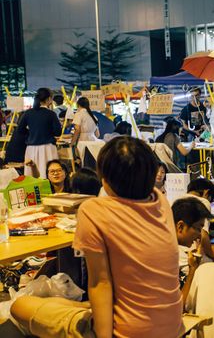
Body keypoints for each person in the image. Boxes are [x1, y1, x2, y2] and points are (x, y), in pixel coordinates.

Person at [11, 136, 183, 337]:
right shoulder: (160, 201)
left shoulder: (93, 210)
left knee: (20, 305)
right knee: (62, 302)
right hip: (171, 323)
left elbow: (100, 284)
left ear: (105, 179)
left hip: (129, 330)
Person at [18, 88, 62, 178]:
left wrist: (31, 133)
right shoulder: (51, 114)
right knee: (50, 174)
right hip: (48, 148)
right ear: (49, 99)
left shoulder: (28, 113)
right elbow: (58, 132)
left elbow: (20, 130)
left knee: (32, 176)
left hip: (31, 149)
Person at [172, 197, 214, 288]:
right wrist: (192, 269)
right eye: (198, 229)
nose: (200, 235)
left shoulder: (170, 246)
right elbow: (180, 301)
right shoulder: (166, 255)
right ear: (180, 227)